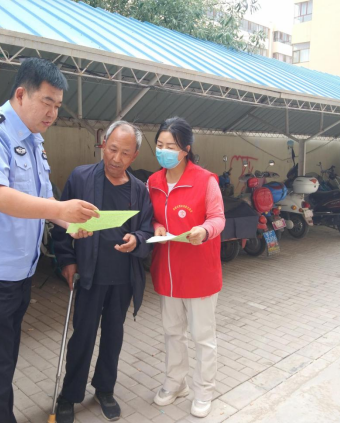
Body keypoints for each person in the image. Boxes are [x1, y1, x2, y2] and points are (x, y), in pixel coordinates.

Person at [0, 58, 99, 423]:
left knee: (1, 367)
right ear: (20, 94)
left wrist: (68, 221)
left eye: (58, 106)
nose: (53, 113)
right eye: (47, 102)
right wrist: (60, 207)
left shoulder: (34, 141)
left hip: (16, 276)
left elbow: (42, 200)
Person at [53, 121, 154, 423]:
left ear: (134, 156)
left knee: (113, 335)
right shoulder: (81, 177)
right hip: (89, 275)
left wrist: (137, 239)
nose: (116, 158)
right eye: (112, 149)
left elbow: (147, 228)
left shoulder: (139, 190)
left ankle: (105, 390)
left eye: (125, 153)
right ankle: (70, 394)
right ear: (103, 144)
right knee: (82, 336)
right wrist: (67, 261)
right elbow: (61, 220)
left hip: (122, 278)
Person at [148, 117, 225, 419]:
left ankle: (203, 390)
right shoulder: (153, 182)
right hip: (167, 272)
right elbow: (151, 217)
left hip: (199, 273)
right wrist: (156, 225)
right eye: (160, 145)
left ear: (186, 149)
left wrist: (204, 230)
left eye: (171, 146)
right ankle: (175, 383)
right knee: (172, 333)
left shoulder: (206, 180)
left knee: (202, 336)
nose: (164, 151)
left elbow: (218, 218)